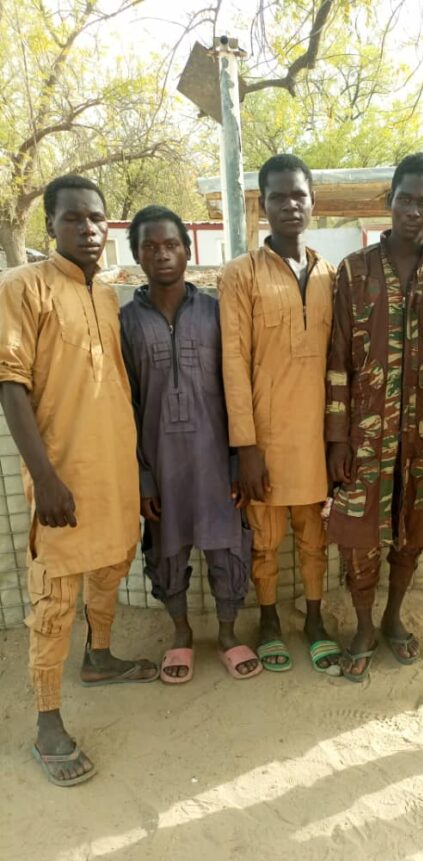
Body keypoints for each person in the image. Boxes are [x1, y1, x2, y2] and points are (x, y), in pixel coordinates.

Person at [0, 175, 158, 787]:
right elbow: (11, 384)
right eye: (74, 219)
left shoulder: (106, 297)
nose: (89, 230)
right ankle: (46, 721)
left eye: (97, 219)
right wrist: (46, 479)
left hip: (115, 473)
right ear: (51, 227)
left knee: (112, 565)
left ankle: (99, 656)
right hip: (62, 478)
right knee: (55, 594)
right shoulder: (23, 288)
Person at [326, 152, 423, 681]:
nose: (413, 209)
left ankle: (393, 617)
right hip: (364, 434)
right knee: (359, 531)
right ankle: (361, 624)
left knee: (414, 528)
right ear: (390, 201)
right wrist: (336, 439)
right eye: (405, 198)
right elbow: (337, 358)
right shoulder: (353, 272)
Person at [120, 206, 256, 683]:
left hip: (215, 459)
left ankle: (226, 633)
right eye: (151, 246)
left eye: (171, 244)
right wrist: (142, 476)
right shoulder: (126, 322)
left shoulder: (218, 312)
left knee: (227, 546)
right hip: (160, 462)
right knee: (167, 550)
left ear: (188, 249)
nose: (162, 254)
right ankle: (180, 633)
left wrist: (240, 462)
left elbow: (239, 390)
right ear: (136, 254)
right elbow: (127, 405)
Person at [218, 154, 340, 674]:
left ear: (313, 201)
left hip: (316, 438)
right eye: (277, 196)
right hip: (265, 440)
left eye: (299, 195)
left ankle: (314, 619)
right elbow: (232, 363)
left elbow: (342, 361)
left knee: (315, 537)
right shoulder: (239, 275)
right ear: (262, 205)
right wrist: (245, 448)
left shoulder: (331, 274)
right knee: (265, 540)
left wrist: (339, 439)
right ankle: (268, 619)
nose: (290, 204)